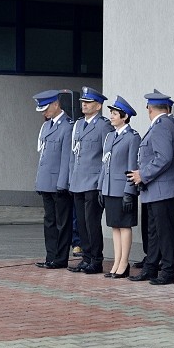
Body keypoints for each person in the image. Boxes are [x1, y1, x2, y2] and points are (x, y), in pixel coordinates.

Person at [128, 91, 174, 285]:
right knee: (154, 232)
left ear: (149, 109)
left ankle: (167, 271)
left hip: (162, 188)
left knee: (164, 232)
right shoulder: (167, 123)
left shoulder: (161, 126)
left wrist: (143, 174)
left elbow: (164, 157)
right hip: (155, 189)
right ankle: (151, 267)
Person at [67, 87, 113, 274]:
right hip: (78, 181)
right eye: (83, 102)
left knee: (92, 222)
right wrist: (71, 178)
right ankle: (86, 258)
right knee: (82, 223)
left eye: (88, 102)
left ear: (98, 106)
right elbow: (73, 154)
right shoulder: (78, 125)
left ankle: (96, 259)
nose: (84, 105)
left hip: (93, 182)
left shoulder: (103, 125)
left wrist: (101, 183)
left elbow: (106, 156)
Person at [32, 90, 74, 269]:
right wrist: (39, 181)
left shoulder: (67, 126)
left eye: (46, 108)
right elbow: (43, 157)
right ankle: (51, 256)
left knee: (62, 222)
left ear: (56, 105)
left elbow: (66, 158)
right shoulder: (47, 126)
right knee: (49, 221)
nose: (44, 112)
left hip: (59, 183)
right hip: (46, 182)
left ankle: (60, 258)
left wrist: (62, 183)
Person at [100, 96, 140, 279]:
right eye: (111, 113)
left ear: (124, 117)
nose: (111, 116)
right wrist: (101, 187)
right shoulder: (110, 136)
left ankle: (124, 263)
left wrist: (129, 192)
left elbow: (132, 167)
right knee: (114, 226)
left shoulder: (132, 137)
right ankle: (116, 261)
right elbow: (105, 164)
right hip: (109, 188)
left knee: (124, 226)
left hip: (122, 189)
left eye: (115, 114)